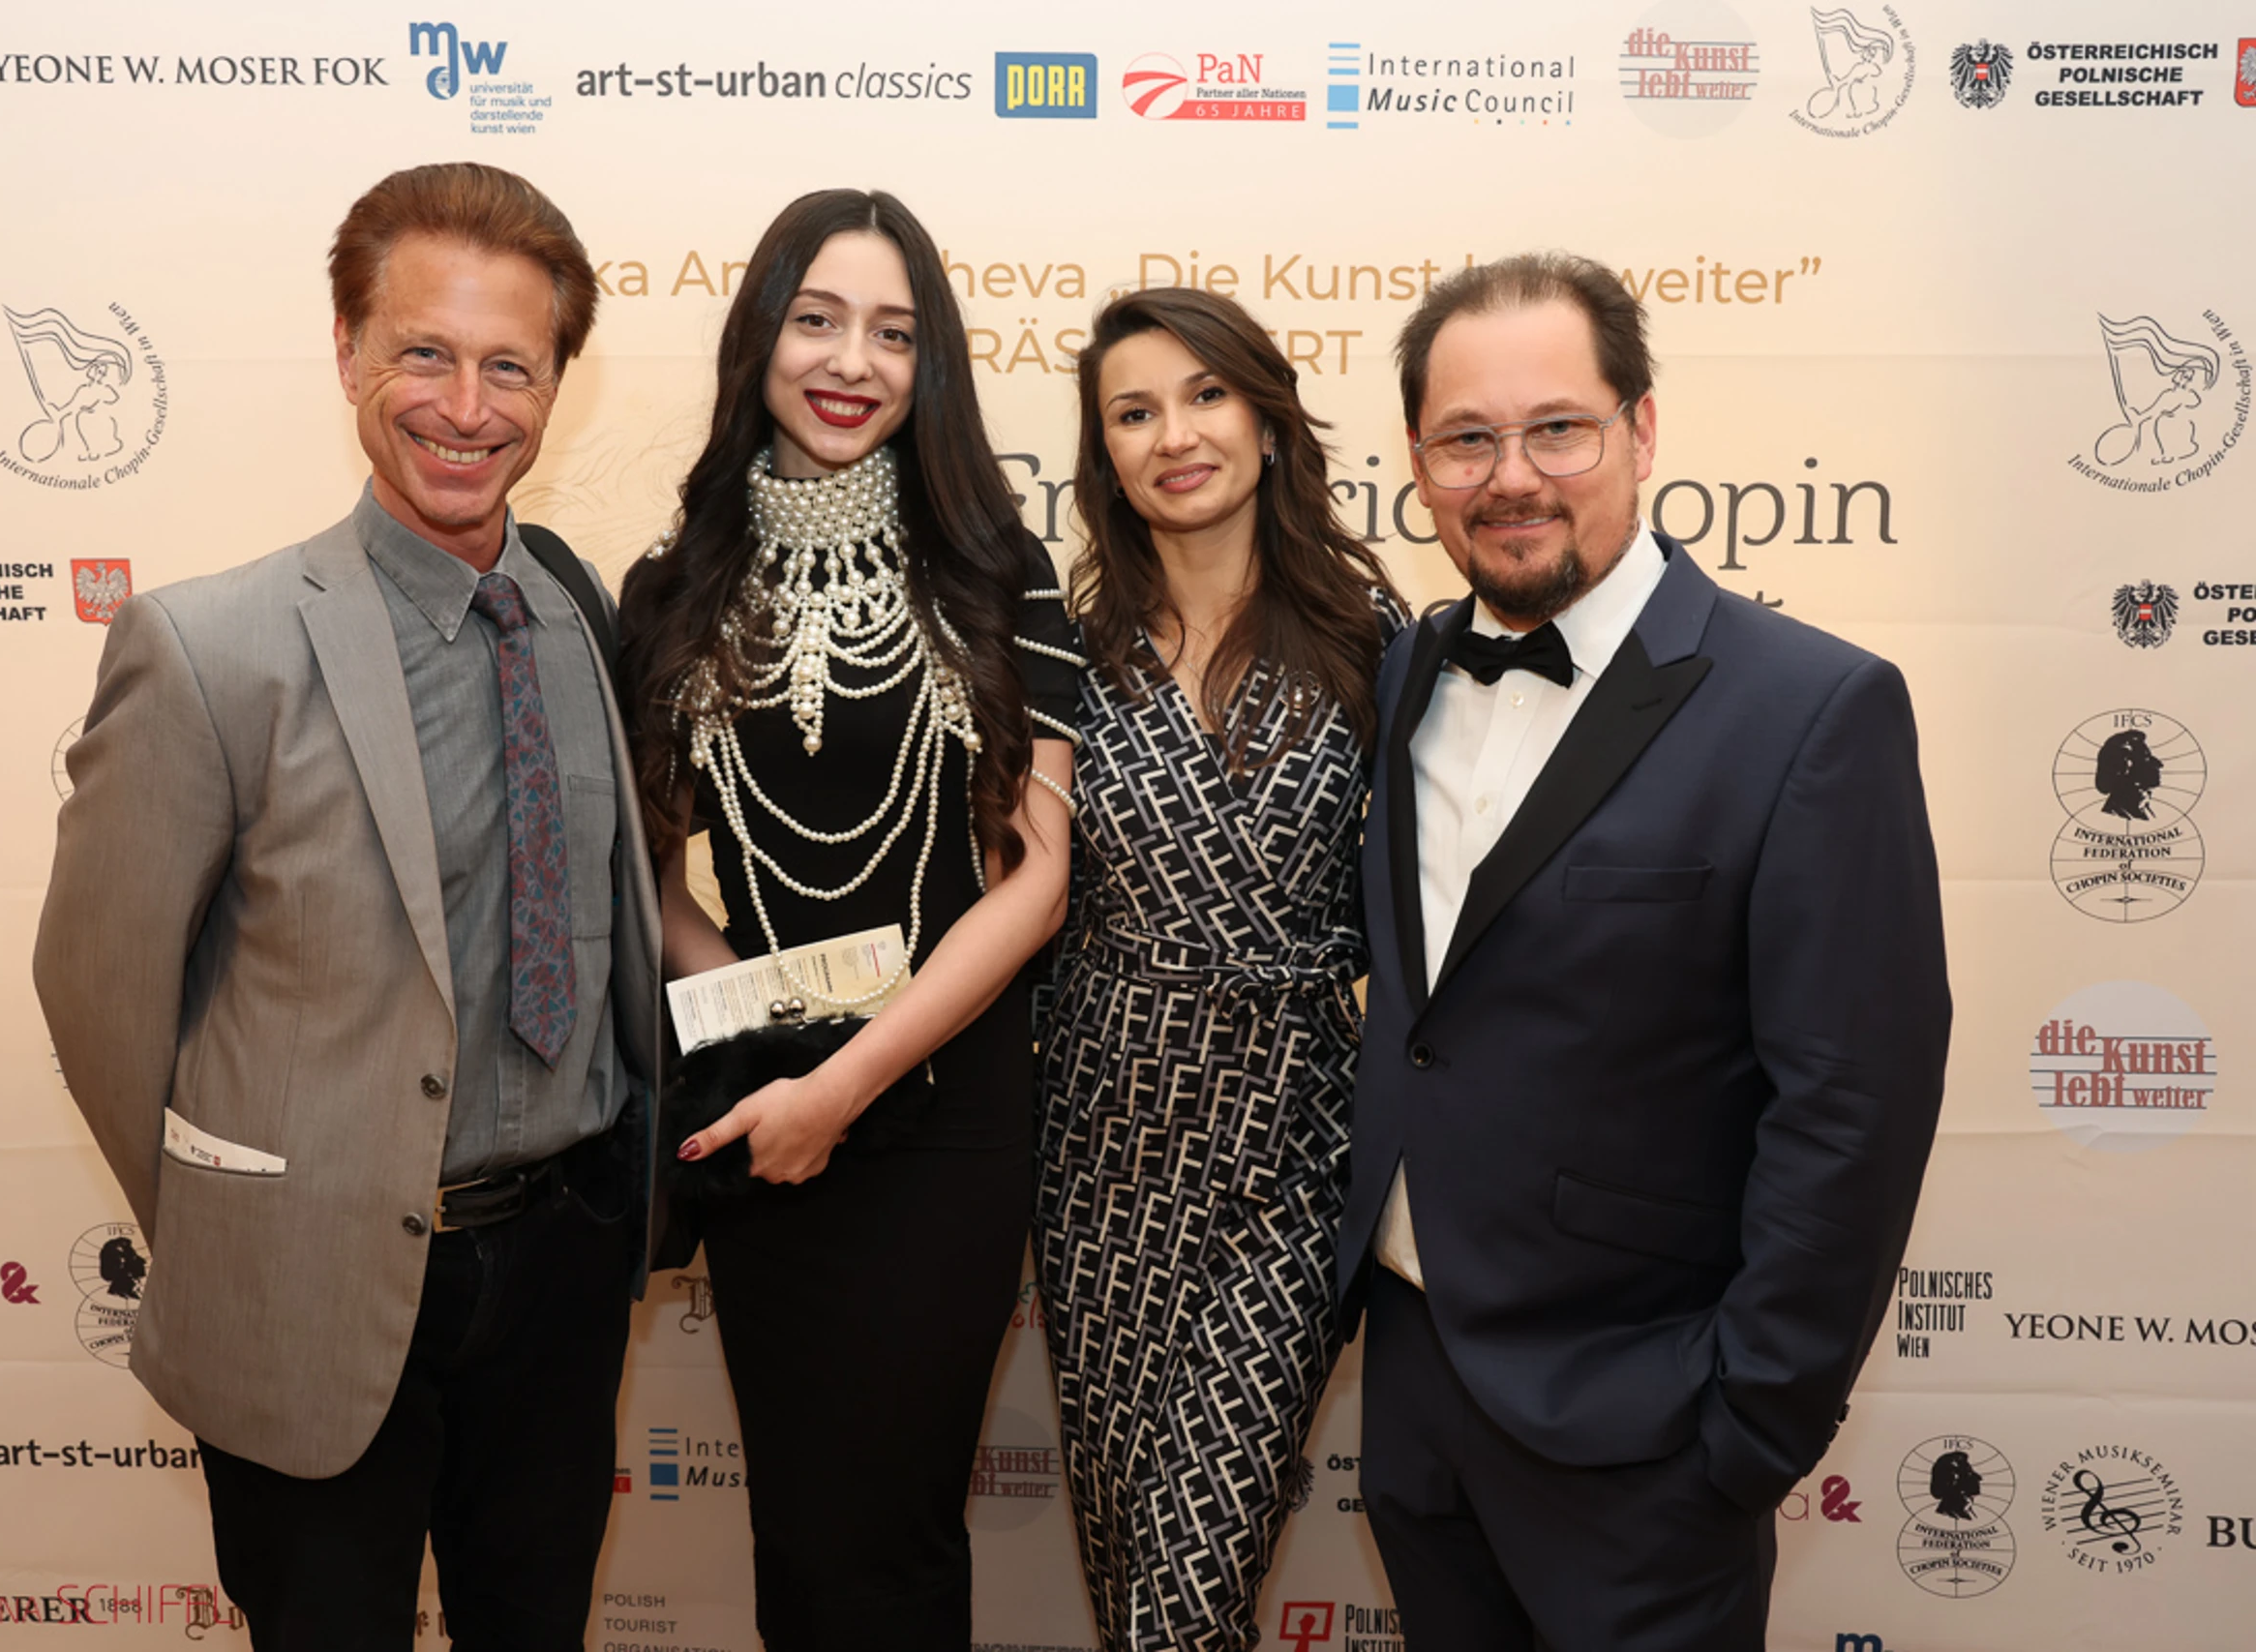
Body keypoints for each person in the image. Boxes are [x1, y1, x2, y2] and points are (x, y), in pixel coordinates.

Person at [35, 162, 661, 1652]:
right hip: (304, 1290)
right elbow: (100, 993)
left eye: (510, 365)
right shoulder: (213, 646)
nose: (466, 406)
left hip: (560, 1273)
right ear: (346, 352)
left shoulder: (579, 614)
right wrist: (245, 1221)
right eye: (423, 352)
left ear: (557, 385)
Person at [1338, 252, 1950, 1651]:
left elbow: (1852, 1105)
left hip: (1648, 1427)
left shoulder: (1812, 710)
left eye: (1558, 428)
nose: (1512, 478)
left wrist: (1747, 1426)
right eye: (1466, 440)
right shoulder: (1404, 673)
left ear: (1643, 429)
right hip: (1418, 1391)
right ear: (1418, 464)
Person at [617, 188, 1078, 1650]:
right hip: (766, 1103)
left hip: (945, 1114)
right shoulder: (669, 587)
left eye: (894, 331)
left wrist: (850, 1076)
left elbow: (1036, 880)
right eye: (817, 319)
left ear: (931, 363)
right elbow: (655, 880)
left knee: (894, 1527)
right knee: (808, 1532)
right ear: (760, 334)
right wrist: (774, 1038)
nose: (851, 361)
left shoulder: (1000, 572)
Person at [1034, 287, 1401, 1652]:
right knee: (1128, 1553)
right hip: (1104, 1151)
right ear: (1105, 454)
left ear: (1266, 420)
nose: (1174, 436)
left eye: (1204, 396)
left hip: (1292, 1156)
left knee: (1186, 1587)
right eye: (1134, 413)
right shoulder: (1064, 657)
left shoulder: (1371, 636)